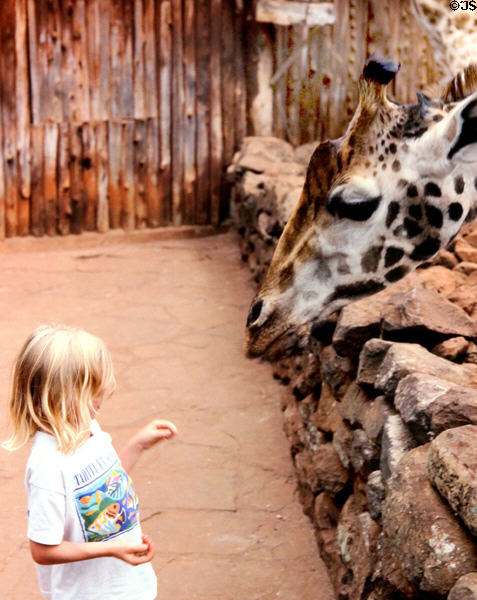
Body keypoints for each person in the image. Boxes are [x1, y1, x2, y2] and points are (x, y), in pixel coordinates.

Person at [2, 324, 177, 600]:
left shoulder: (88, 428)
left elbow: (106, 486)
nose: (104, 394)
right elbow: (43, 549)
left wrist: (137, 445)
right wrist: (111, 549)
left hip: (126, 583)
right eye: (93, 391)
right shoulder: (48, 467)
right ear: (63, 396)